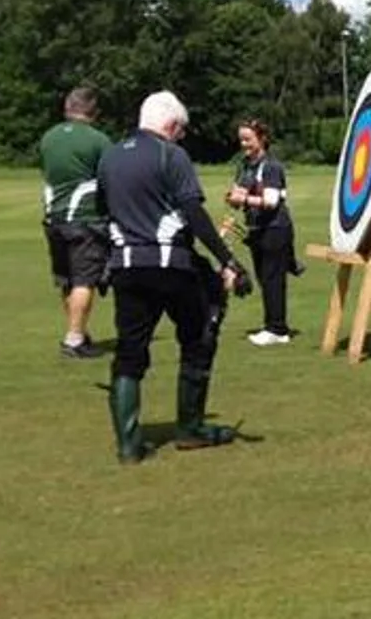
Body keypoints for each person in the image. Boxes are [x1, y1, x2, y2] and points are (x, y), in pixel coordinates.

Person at [98, 91, 252, 465]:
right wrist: (229, 261)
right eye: (180, 131)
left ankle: (128, 446)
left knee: (130, 353)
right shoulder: (171, 155)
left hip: (126, 267)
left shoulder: (110, 156)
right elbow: (194, 215)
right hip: (170, 266)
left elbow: (103, 214)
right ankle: (191, 428)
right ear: (170, 125)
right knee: (200, 334)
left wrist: (105, 264)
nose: (182, 137)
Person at [39, 87, 112, 359]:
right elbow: (110, 177)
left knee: (67, 278)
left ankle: (78, 329)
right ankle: (73, 339)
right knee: (85, 279)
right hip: (84, 217)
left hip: (53, 216)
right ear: (93, 110)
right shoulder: (98, 140)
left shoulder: (49, 137)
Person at [225, 118, 298, 346]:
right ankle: (273, 326)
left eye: (248, 139)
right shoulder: (245, 165)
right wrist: (234, 199)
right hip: (257, 229)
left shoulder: (271, 166)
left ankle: (277, 329)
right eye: (241, 140)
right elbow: (240, 193)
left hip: (275, 229)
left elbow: (271, 201)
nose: (244, 144)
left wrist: (244, 198)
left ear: (262, 139)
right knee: (265, 279)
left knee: (272, 278)